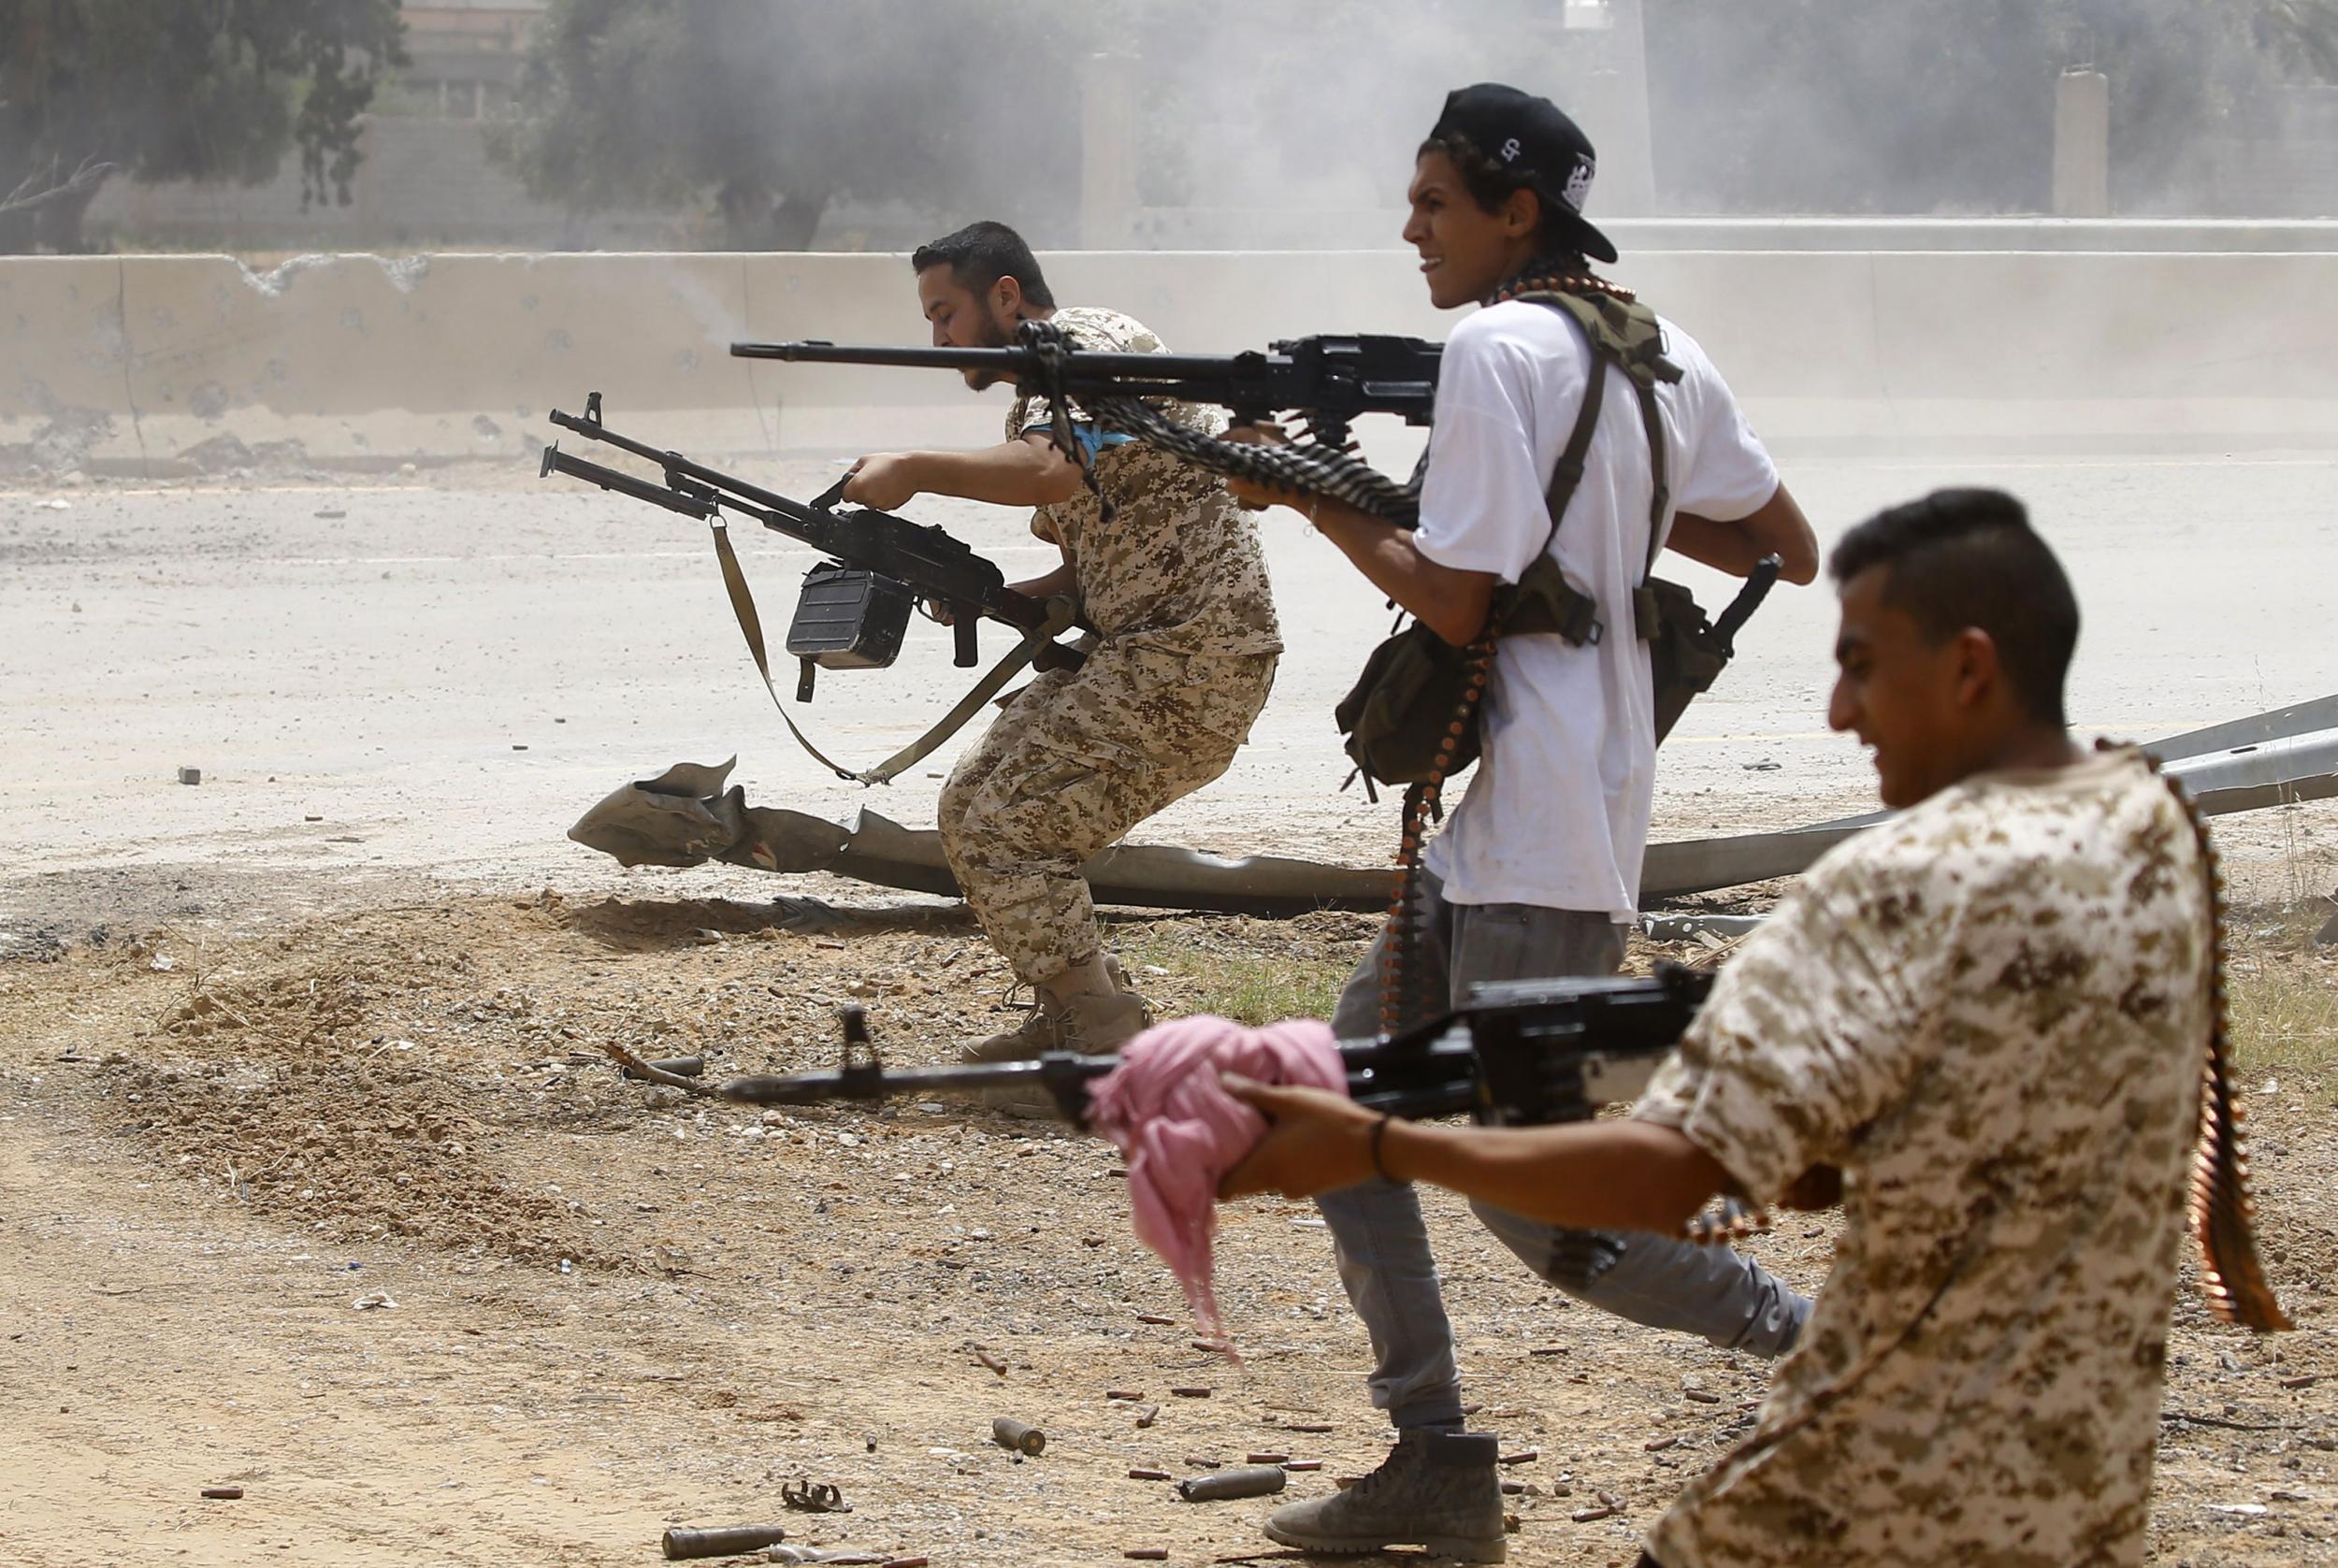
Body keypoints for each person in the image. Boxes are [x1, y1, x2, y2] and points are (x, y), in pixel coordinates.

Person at [1222, 488, 2219, 1568]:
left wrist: (1379, 1140)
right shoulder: (2145, 841)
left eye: (1863, 667)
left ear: (1969, 669)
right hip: (2072, 1464)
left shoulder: (1894, 891)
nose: (1839, 711)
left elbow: (1662, 1177)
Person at [1220, 84, 1818, 1561]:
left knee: (1548, 1214)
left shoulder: (1497, 345)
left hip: (1543, 832)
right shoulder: (1662, 347)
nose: (1409, 229)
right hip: (1542, 811)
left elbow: (1455, 594)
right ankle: (1432, 1456)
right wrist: (1619, 486)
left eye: (1434, 204)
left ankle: (1828, 1346)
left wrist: (1299, 492)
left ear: (1516, 213)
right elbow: (1785, 546)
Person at [842, 222, 1281, 1089]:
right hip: (1145, 655)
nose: (939, 340)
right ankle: (1074, 1012)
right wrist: (999, 593)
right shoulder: (1036, 399)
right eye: (929, 320)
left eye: (948, 313)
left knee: (1015, 825)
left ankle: (1102, 1041)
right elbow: (1091, 566)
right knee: (973, 806)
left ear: (1006, 295)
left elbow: (1050, 473)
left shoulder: (1088, 346)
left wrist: (914, 467)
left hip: (1193, 657)